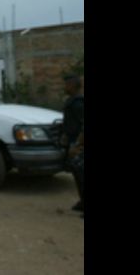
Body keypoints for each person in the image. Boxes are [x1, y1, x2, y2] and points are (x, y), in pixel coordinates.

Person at [61, 74, 84, 216]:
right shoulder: (71, 101)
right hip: (72, 141)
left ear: (72, 85)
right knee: (77, 174)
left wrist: (77, 146)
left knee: (82, 175)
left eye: (66, 84)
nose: (64, 87)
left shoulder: (79, 103)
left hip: (79, 143)